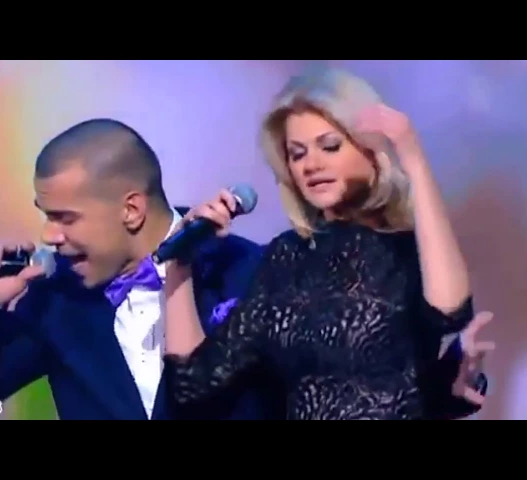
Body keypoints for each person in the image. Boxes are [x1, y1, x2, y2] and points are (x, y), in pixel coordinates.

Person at [162, 68, 495, 420]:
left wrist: (412, 157)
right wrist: (179, 262)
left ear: (372, 151)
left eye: (330, 146)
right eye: (297, 154)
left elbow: (450, 310)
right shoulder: (286, 257)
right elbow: (193, 384)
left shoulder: (407, 248)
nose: (311, 165)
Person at [0, 118, 273, 420]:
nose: (49, 236)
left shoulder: (247, 271)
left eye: (65, 218)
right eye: (46, 215)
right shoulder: (56, 302)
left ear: (131, 210)